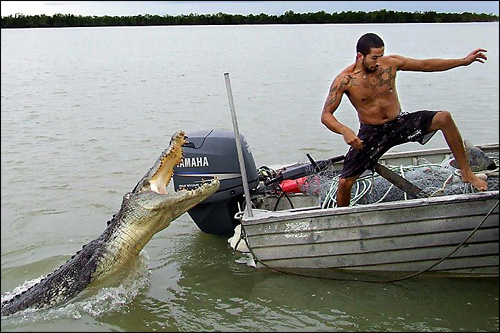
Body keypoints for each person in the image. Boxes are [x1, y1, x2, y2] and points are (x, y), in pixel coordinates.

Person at [321, 32, 488, 207]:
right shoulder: (345, 80)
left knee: (443, 118)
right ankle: (343, 217)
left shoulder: (391, 64)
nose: (378, 62)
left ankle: (467, 173)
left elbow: (425, 65)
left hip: (399, 123)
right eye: (374, 57)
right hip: (372, 133)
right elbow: (326, 115)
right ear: (360, 56)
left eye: (381, 56)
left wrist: (463, 61)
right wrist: (345, 131)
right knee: (344, 183)